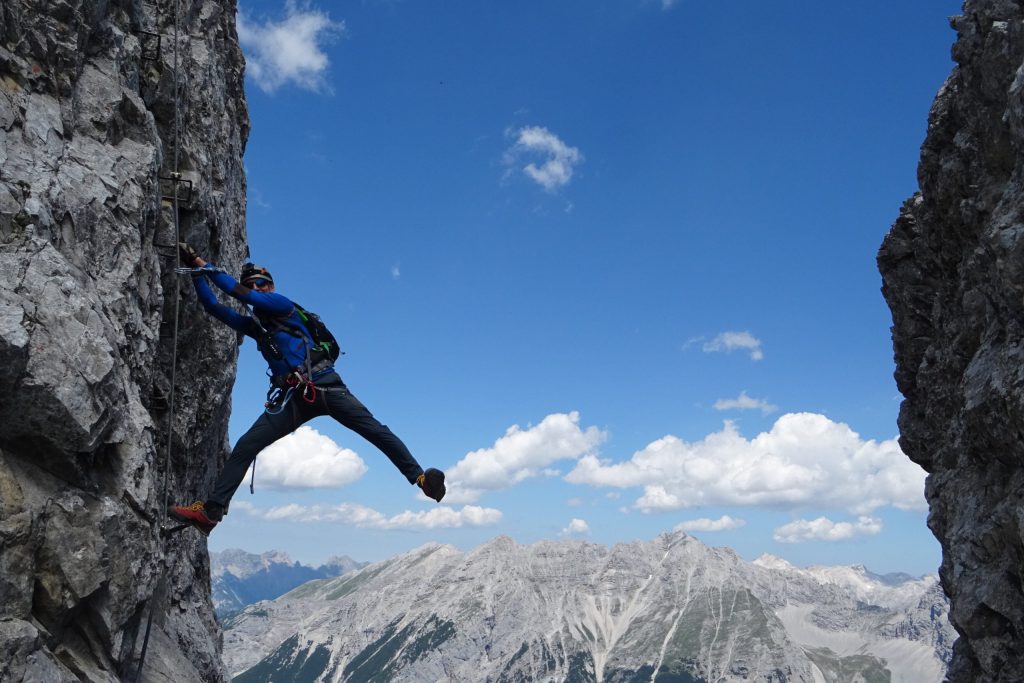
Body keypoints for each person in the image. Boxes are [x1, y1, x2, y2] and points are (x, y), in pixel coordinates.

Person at [169, 242, 445, 535]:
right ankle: (211, 512)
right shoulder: (258, 328)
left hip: (326, 386)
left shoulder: (283, 305)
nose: (256, 288)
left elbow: (239, 294)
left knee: (375, 430)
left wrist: (201, 264)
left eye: (261, 283)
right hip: (294, 398)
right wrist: (197, 276)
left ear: (271, 287)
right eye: (252, 284)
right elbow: (214, 307)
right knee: (247, 445)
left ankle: (420, 479)